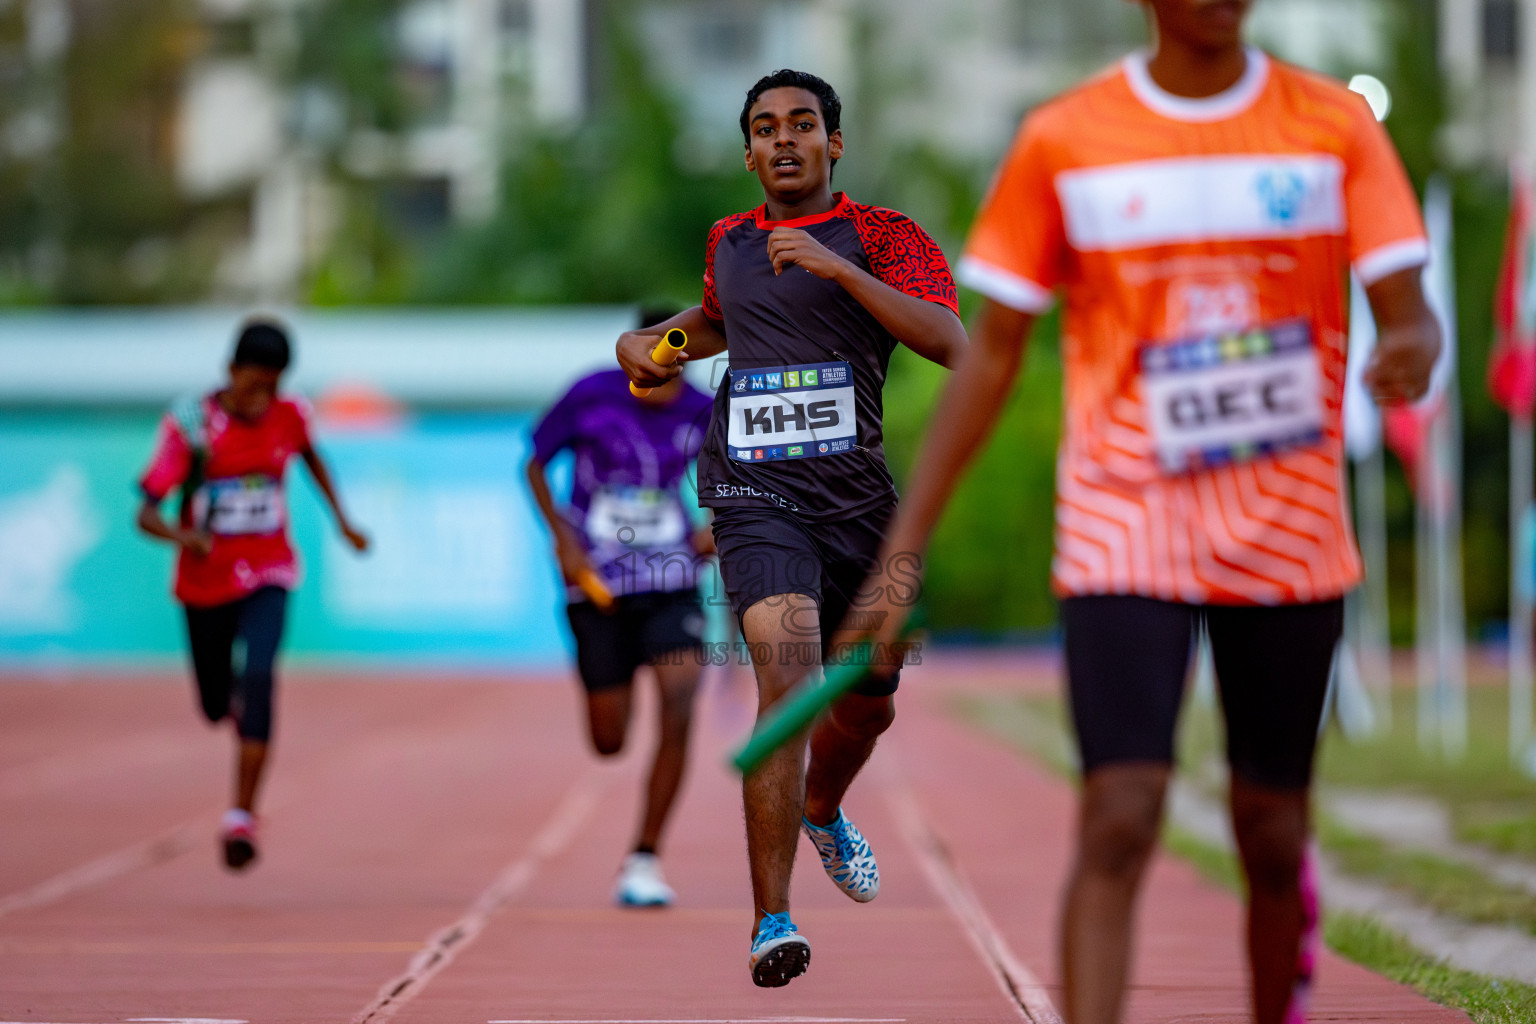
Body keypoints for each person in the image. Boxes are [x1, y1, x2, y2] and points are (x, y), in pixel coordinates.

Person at [841, 1, 1442, 1020]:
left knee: (1271, 825)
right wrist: (902, 558)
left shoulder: (1332, 128)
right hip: (1127, 523)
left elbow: (1410, 309)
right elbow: (990, 354)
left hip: (1287, 524)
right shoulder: (1067, 139)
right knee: (1120, 810)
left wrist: (1411, 348)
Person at [617, 69, 967, 987]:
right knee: (789, 673)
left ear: (832, 144)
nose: (783, 140)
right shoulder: (729, 240)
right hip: (753, 493)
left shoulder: (886, 237)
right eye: (765, 129)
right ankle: (771, 921)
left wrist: (838, 267)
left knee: (874, 693)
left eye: (802, 125)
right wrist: (653, 347)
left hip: (860, 503)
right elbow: (718, 324)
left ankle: (822, 808)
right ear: (748, 153)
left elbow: (949, 342)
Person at [136, 317, 369, 871]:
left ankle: (241, 815)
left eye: (273, 384)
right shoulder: (192, 426)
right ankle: (234, 705)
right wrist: (183, 535)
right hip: (204, 583)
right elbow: (145, 512)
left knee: (262, 676)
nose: (262, 396)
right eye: (253, 382)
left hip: (269, 571)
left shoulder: (290, 417)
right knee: (217, 706)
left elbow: (312, 457)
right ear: (231, 371)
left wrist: (342, 520)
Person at [526, 310, 715, 908]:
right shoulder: (590, 395)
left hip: (670, 577)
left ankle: (644, 857)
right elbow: (533, 461)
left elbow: (748, 477)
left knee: (682, 698)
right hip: (598, 585)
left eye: (680, 366)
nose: (669, 377)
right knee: (609, 741)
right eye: (657, 363)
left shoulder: (704, 410)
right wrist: (561, 536)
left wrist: (719, 526)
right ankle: (621, 673)